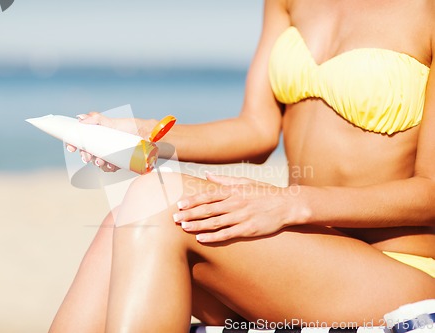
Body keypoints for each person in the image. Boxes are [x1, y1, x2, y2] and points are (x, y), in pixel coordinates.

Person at [49, 0, 435, 332]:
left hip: (395, 267)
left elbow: (431, 189)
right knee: (123, 222)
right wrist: (143, 135)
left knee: (158, 197)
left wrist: (291, 203)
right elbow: (257, 129)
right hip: (298, 251)